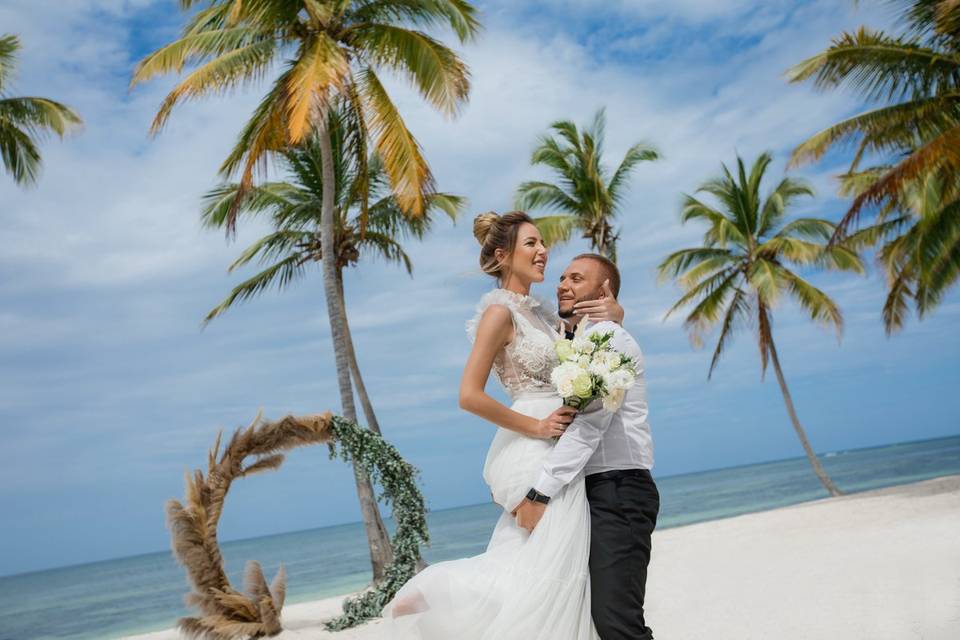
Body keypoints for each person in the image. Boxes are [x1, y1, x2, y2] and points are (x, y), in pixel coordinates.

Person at [381, 211, 623, 639]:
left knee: (543, 561)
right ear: (502, 255)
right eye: (531, 243)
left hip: (560, 446)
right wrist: (537, 427)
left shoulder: (544, 316)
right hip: (534, 442)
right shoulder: (498, 313)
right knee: (553, 560)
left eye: (543, 242)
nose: (543, 250)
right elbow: (468, 395)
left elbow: (589, 349)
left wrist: (613, 316)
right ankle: (441, 587)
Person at [513, 254, 658, 640]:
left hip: (619, 490)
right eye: (561, 277)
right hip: (591, 492)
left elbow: (590, 425)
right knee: (593, 618)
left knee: (617, 621)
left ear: (604, 290)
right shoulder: (579, 339)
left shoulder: (609, 338)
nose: (562, 284)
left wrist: (538, 492)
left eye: (577, 278)